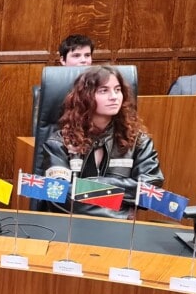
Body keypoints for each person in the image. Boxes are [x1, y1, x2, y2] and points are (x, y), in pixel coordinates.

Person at [40, 66, 163, 219]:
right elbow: (57, 194)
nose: (114, 97)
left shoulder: (138, 141)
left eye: (117, 90)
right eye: (104, 91)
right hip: (70, 227)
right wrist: (119, 209)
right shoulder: (59, 143)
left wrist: (93, 184)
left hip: (120, 231)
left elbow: (150, 190)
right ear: (85, 97)